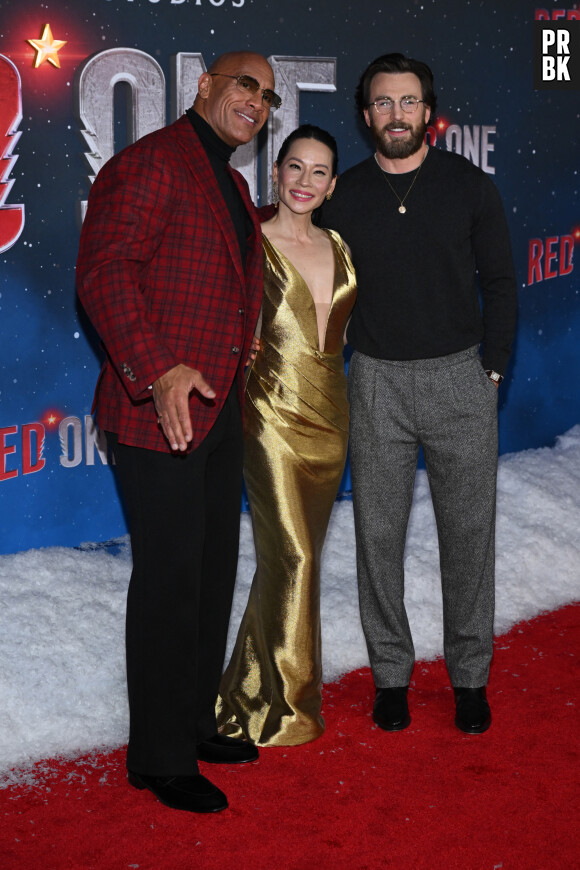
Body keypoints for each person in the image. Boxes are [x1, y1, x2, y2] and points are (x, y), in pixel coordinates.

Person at [76, 52, 281, 813]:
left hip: (214, 407)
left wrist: (241, 344)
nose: (256, 102)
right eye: (243, 86)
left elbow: (216, 283)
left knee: (209, 575)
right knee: (168, 584)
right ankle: (157, 759)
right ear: (204, 88)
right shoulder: (153, 162)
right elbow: (103, 269)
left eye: (266, 94)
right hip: (153, 408)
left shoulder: (228, 180)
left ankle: (194, 721)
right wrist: (158, 368)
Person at [320, 53, 517, 735]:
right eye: (382, 103)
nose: (396, 115)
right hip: (375, 381)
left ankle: (469, 677)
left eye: (408, 102)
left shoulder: (470, 186)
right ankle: (391, 676)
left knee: (469, 537)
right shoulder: (342, 194)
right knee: (378, 537)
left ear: (428, 111)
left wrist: (491, 369)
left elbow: (500, 283)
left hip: (460, 377)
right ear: (366, 114)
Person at [217, 125, 357, 746]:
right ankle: (285, 709)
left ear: (331, 184)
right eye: (294, 168)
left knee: (291, 562)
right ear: (275, 173)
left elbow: (340, 340)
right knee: (294, 557)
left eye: (319, 172)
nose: (305, 182)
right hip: (271, 417)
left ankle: (248, 689)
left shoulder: (341, 247)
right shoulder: (252, 241)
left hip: (333, 420)